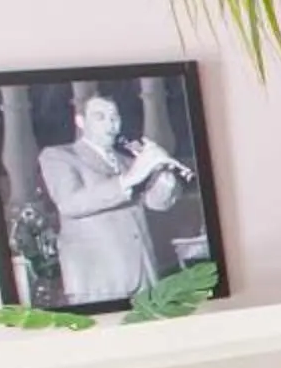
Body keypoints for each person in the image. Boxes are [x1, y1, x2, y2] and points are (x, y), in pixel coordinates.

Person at [36, 92, 195, 303]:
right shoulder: (59, 156)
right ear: (80, 121)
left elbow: (158, 204)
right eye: (100, 117)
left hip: (144, 273)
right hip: (98, 278)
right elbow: (69, 203)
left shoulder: (128, 161)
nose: (110, 124)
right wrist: (131, 178)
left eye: (114, 118)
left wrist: (164, 173)